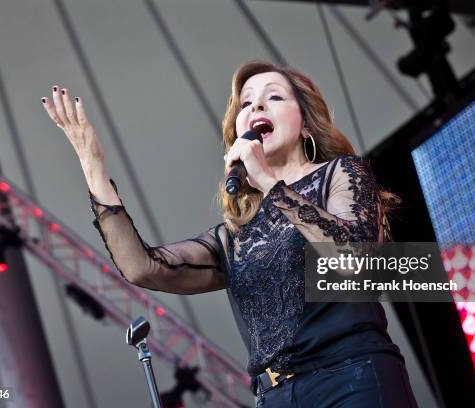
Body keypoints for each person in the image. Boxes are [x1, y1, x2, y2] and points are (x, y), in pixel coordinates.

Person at [40, 60, 418, 408]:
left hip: (351, 376)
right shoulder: (234, 237)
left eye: (273, 96)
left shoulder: (341, 174)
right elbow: (142, 267)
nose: (255, 108)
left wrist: (272, 183)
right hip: (274, 396)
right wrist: (92, 166)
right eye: (246, 104)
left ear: (305, 123)